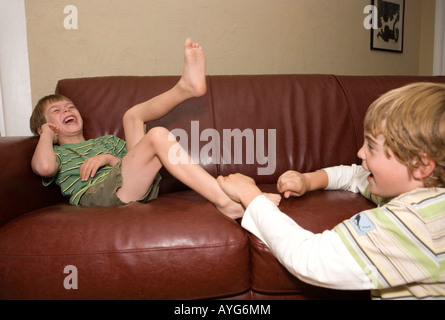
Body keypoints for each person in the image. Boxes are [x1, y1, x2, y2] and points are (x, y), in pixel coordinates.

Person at [217, 82, 445, 299]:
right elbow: (353, 175)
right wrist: (308, 180)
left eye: (372, 146)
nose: (360, 152)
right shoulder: (420, 192)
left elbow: (310, 259)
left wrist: (250, 195)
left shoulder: (415, 222)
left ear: (420, 166)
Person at [29, 38, 280, 217]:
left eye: (70, 107)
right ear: (47, 125)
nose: (67, 111)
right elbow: (43, 167)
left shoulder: (106, 142)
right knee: (157, 136)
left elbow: (132, 165)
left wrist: (107, 158)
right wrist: (46, 135)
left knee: (132, 115)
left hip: (132, 187)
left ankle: (185, 89)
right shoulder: (57, 155)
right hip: (97, 197)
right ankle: (225, 201)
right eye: (56, 111)